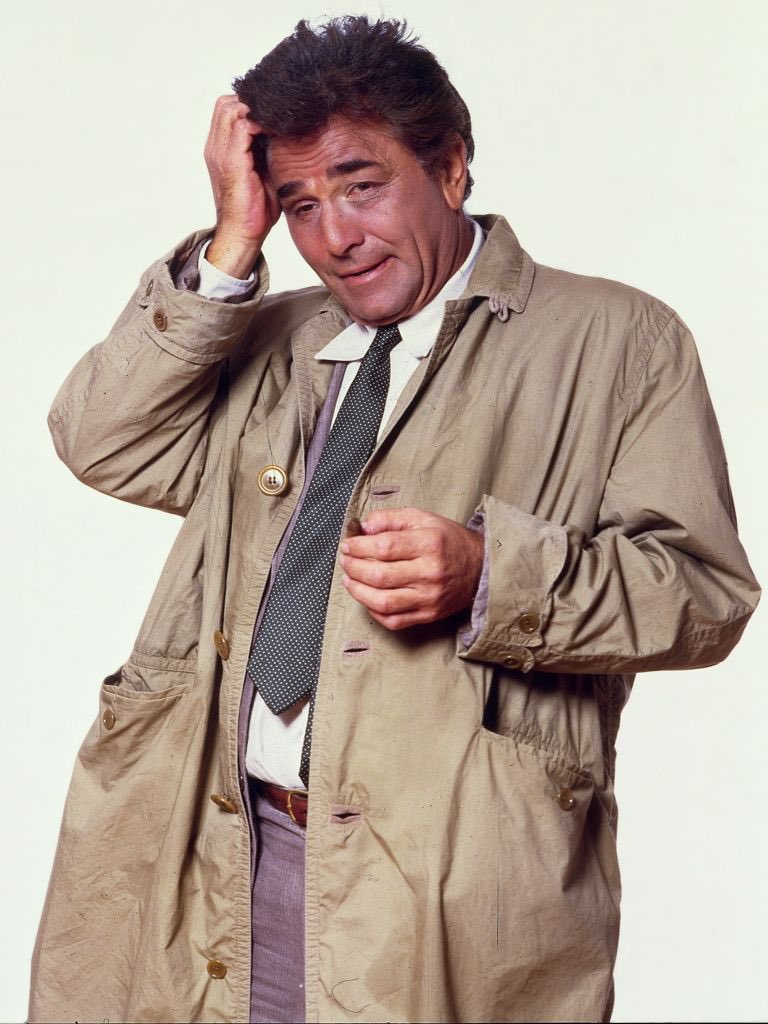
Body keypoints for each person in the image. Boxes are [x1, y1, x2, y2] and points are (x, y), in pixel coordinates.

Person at [29, 15, 759, 1024]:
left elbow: (707, 597)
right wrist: (232, 244)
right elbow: (102, 439)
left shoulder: (618, 340)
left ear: (450, 167)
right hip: (209, 857)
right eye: (300, 205)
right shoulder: (269, 335)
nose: (334, 236)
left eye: (361, 186)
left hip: (442, 893)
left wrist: (494, 573)